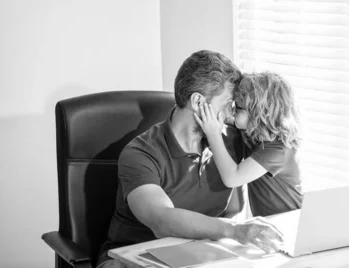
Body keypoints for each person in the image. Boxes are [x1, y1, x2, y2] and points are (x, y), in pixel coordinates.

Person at [96, 51, 283, 268]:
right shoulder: (140, 154)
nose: (231, 115)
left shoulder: (229, 141)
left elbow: (232, 210)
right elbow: (162, 221)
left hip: (198, 256)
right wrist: (233, 231)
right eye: (227, 104)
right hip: (132, 259)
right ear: (197, 101)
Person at [195, 72, 303, 217]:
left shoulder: (277, 150)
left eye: (238, 108)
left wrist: (213, 134)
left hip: (289, 221)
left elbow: (232, 178)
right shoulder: (255, 133)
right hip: (270, 221)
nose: (232, 111)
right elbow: (233, 121)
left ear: (259, 114)